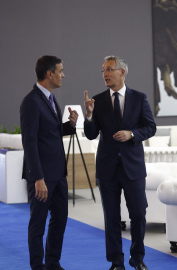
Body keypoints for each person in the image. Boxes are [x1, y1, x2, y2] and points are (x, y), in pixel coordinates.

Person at [84, 56, 156, 270]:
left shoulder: (139, 98)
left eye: (109, 69)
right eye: (103, 70)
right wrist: (88, 116)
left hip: (133, 168)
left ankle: (138, 259)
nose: (105, 74)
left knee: (138, 214)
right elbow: (90, 135)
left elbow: (150, 127)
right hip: (107, 169)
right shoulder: (97, 101)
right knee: (112, 217)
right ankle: (116, 262)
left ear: (122, 72)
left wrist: (131, 134)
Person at [20, 55, 78, 270]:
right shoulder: (30, 102)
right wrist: (38, 178)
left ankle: (53, 263)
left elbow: (51, 134)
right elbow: (30, 142)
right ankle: (37, 266)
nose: (63, 75)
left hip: (58, 174)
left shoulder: (51, 99)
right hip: (42, 177)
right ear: (49, 74)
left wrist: (70, 126)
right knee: (38, 225)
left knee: (60, 219)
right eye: (61, 71)